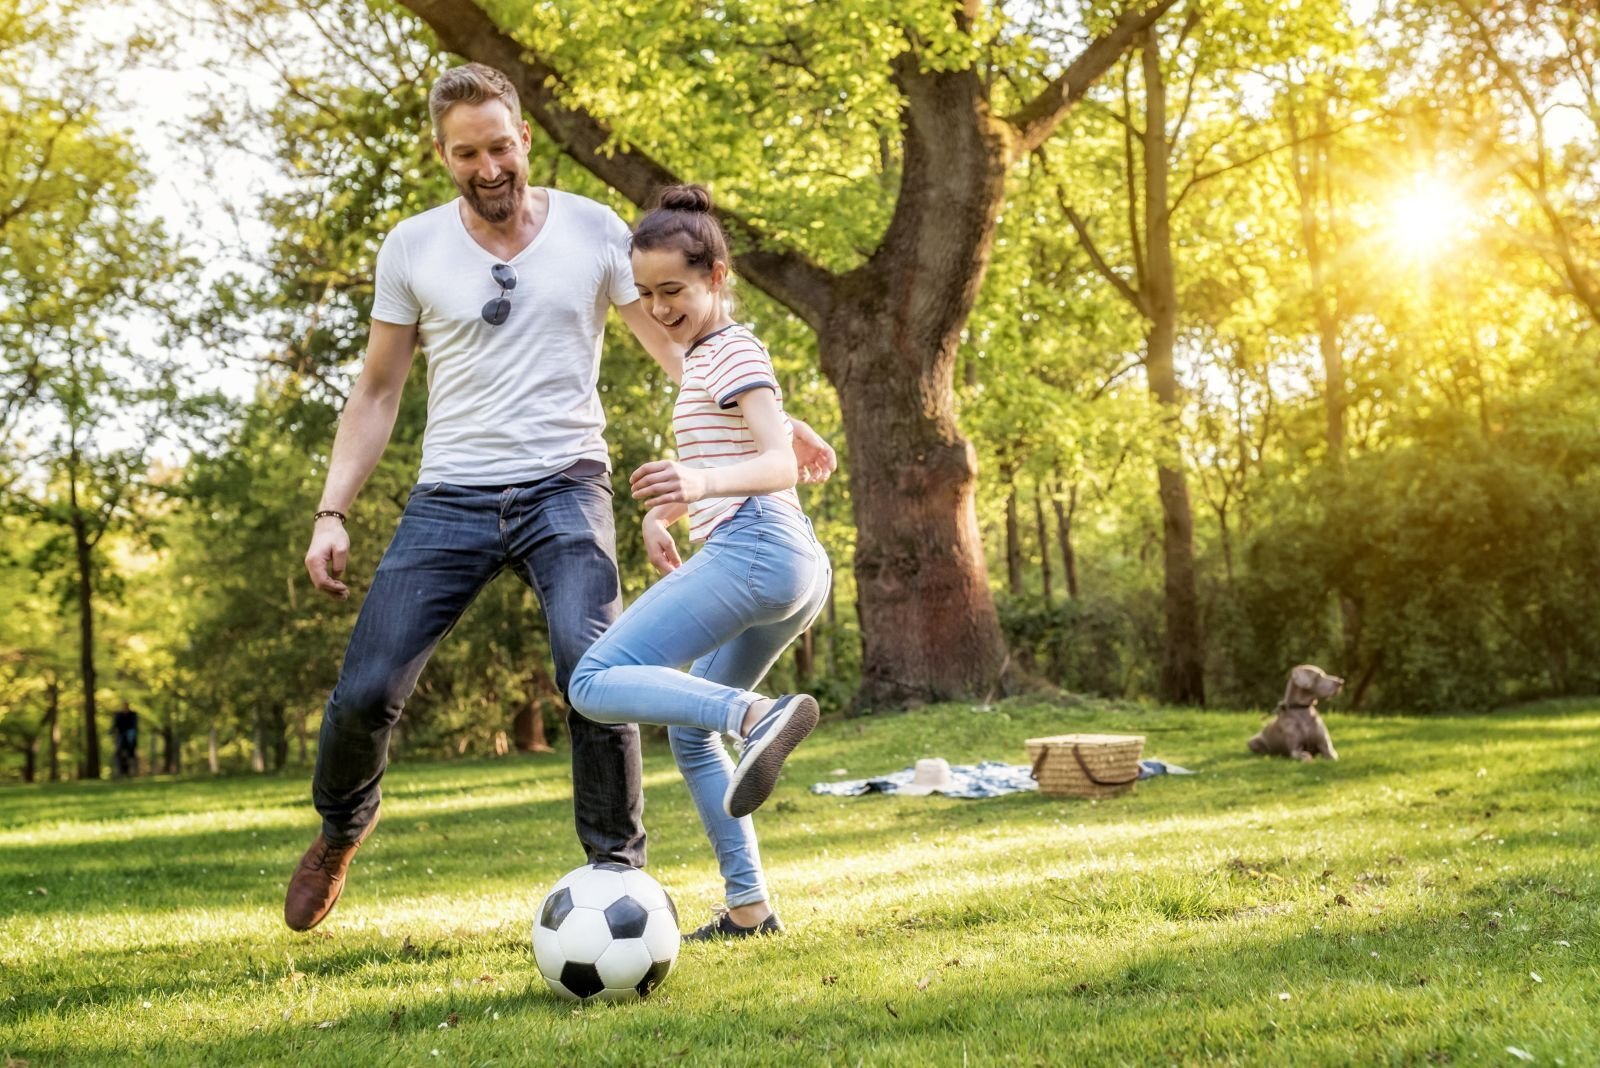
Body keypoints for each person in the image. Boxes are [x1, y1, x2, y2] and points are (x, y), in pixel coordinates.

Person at [285, 64, 836, 933]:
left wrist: (773, 422)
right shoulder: (412, 247)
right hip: (450, 495)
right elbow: (378, 392)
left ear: (526, 139)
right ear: (443, 155)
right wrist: (331, 511)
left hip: (566, 486)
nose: (489, 165)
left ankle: (617, 874)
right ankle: (342, 827)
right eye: (468, 152)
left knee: (599, 669)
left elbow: (681, 343)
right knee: (366, 691)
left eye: (501, 145)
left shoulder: (593, 230)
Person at [567, 184, 831, 942]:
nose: (656, 308)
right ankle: (749, 908)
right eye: (645, 293)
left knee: (591, 682)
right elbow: (747, 441)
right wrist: (664, 511)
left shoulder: (734, 349)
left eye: (672, 289)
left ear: (717, 276)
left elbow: (774, 462)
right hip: (790, 566)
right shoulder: (707, 359)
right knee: (689, 734)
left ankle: (758, 715)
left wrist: (704, 483)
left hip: (757, 547)